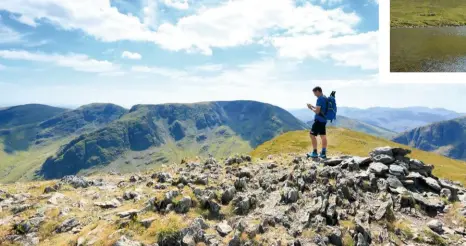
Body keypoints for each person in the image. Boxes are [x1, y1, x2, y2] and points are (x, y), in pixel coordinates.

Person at [306, 86, 327, 158]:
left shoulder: (320, 99)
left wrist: (310, 108)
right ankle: (323, 153)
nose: (314, 95)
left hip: (318, 120)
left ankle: (314, 152)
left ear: (318, 91)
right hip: (324, 120)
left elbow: (317, 112)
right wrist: (313, 106)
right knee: (323, 136)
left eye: (314, 93)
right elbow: (321, 109)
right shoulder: (324, 98)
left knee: (312, 135)